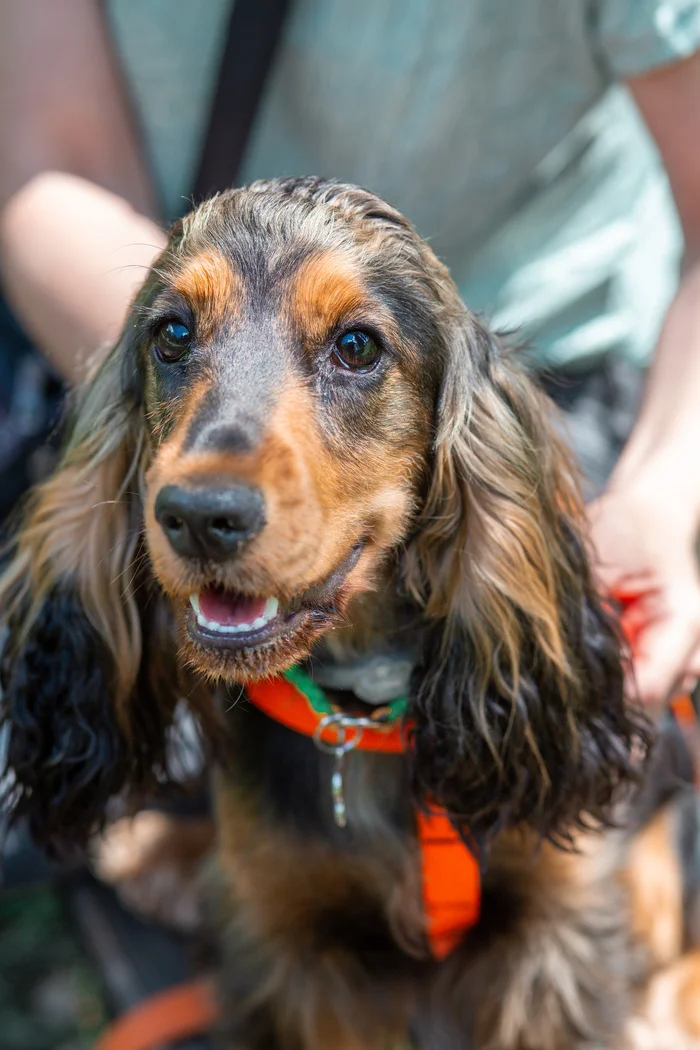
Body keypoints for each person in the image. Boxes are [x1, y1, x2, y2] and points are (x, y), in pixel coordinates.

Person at [1, 0, 699, 710]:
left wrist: (663, 495)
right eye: (179, 336)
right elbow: (55, 167)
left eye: (352, 348)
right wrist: (157, 364)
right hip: (107, 308)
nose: (214, 499)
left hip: (536, 396)